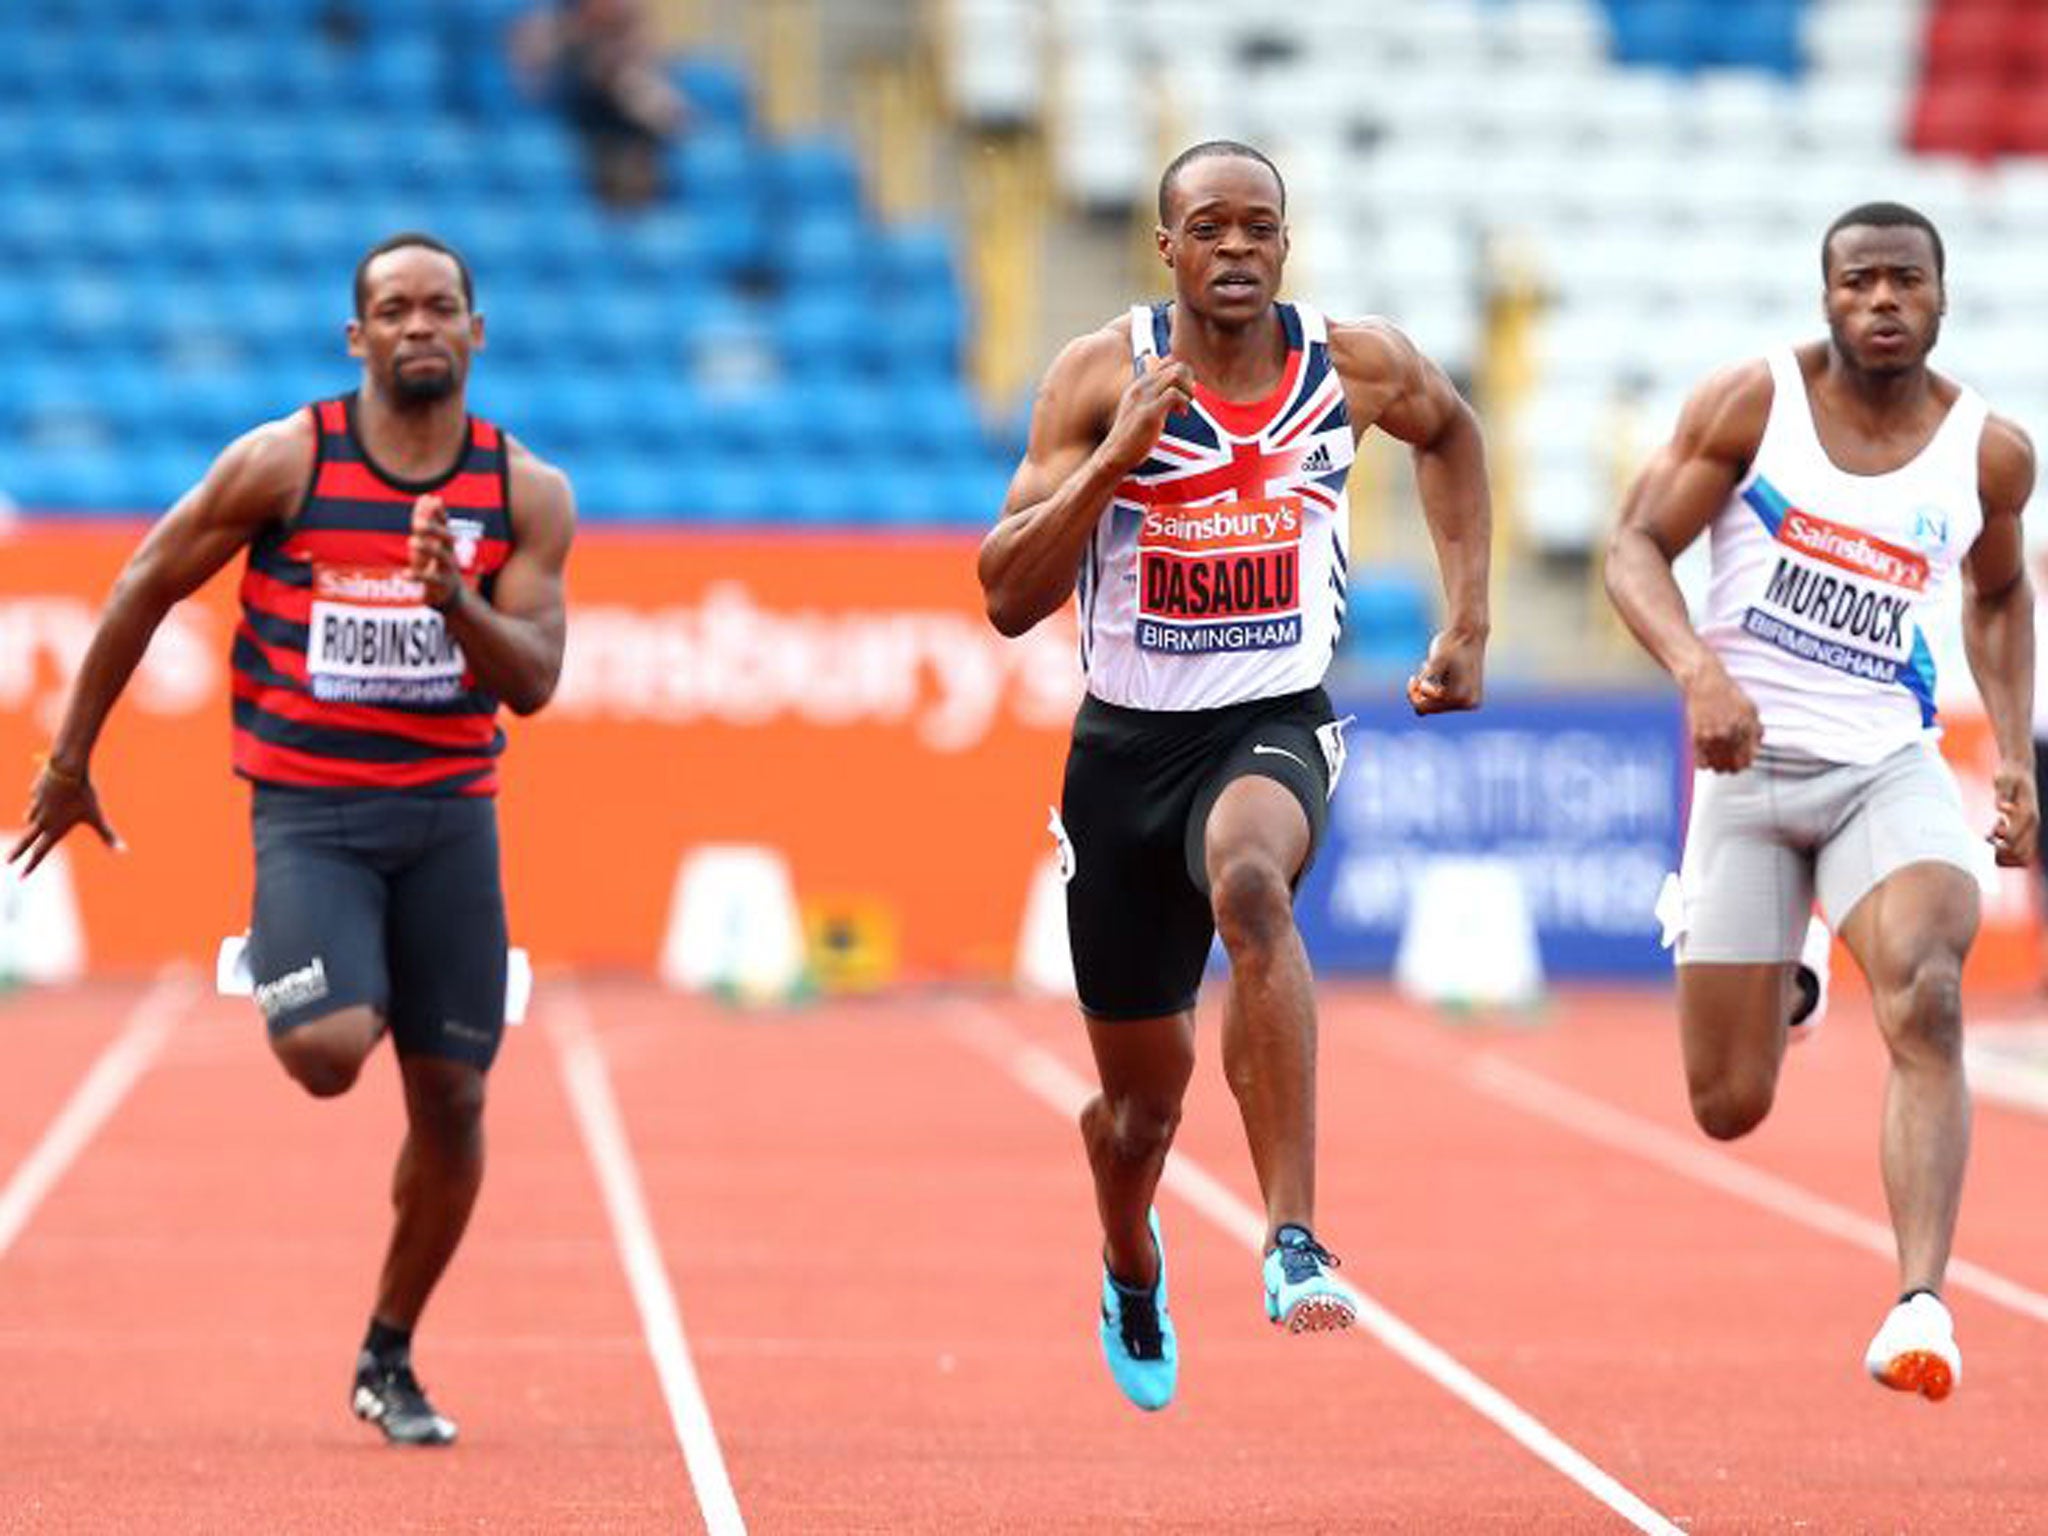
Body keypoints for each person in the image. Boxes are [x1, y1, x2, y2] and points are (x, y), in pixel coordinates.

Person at [9, 233, 577, 1445]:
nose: (418, 326)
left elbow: (532, 681)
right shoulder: (287, 462)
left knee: (456, 1104)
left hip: (448, 821)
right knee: (327, 1050)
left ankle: (388, 1353)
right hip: (310, 813)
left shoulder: (523, 493)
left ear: (476, 333)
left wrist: (452, 602)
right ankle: (297, 948)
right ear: (356, 337)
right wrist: (68, 761)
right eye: (393, 309)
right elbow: (144, 583)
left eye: (441, 308)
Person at [977, 141, 1492, 1411]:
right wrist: (1113, 462)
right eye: (1209, 227)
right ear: (1167, 248)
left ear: (1284, 241)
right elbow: (1001, 595)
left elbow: (1453, 434)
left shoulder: (1350, 363)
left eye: (1258, 227)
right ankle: (1127, 1253)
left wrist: (1466, 618)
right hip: (1122, 754)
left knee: (1253, 888)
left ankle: (1292, 1234)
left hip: (1270, 721)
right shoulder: (1099, 375)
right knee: (1136, 1116)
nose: (1237, 249)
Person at [1604, 202, 2035, 1402]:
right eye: (1858, 283)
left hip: (1878, 767)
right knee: (1727, 1106)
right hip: (1745, 770)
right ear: (1825, 297)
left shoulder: (1986, 453)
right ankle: (1787, 964)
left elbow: (1994, 597)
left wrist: (2008, 753)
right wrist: (1700, 673)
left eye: (1904, 281)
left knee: (1929, 992)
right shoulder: (1752, 406)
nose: (1881, 301)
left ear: (1940, 300)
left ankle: (1918, 1306)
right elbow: (1631, 546)